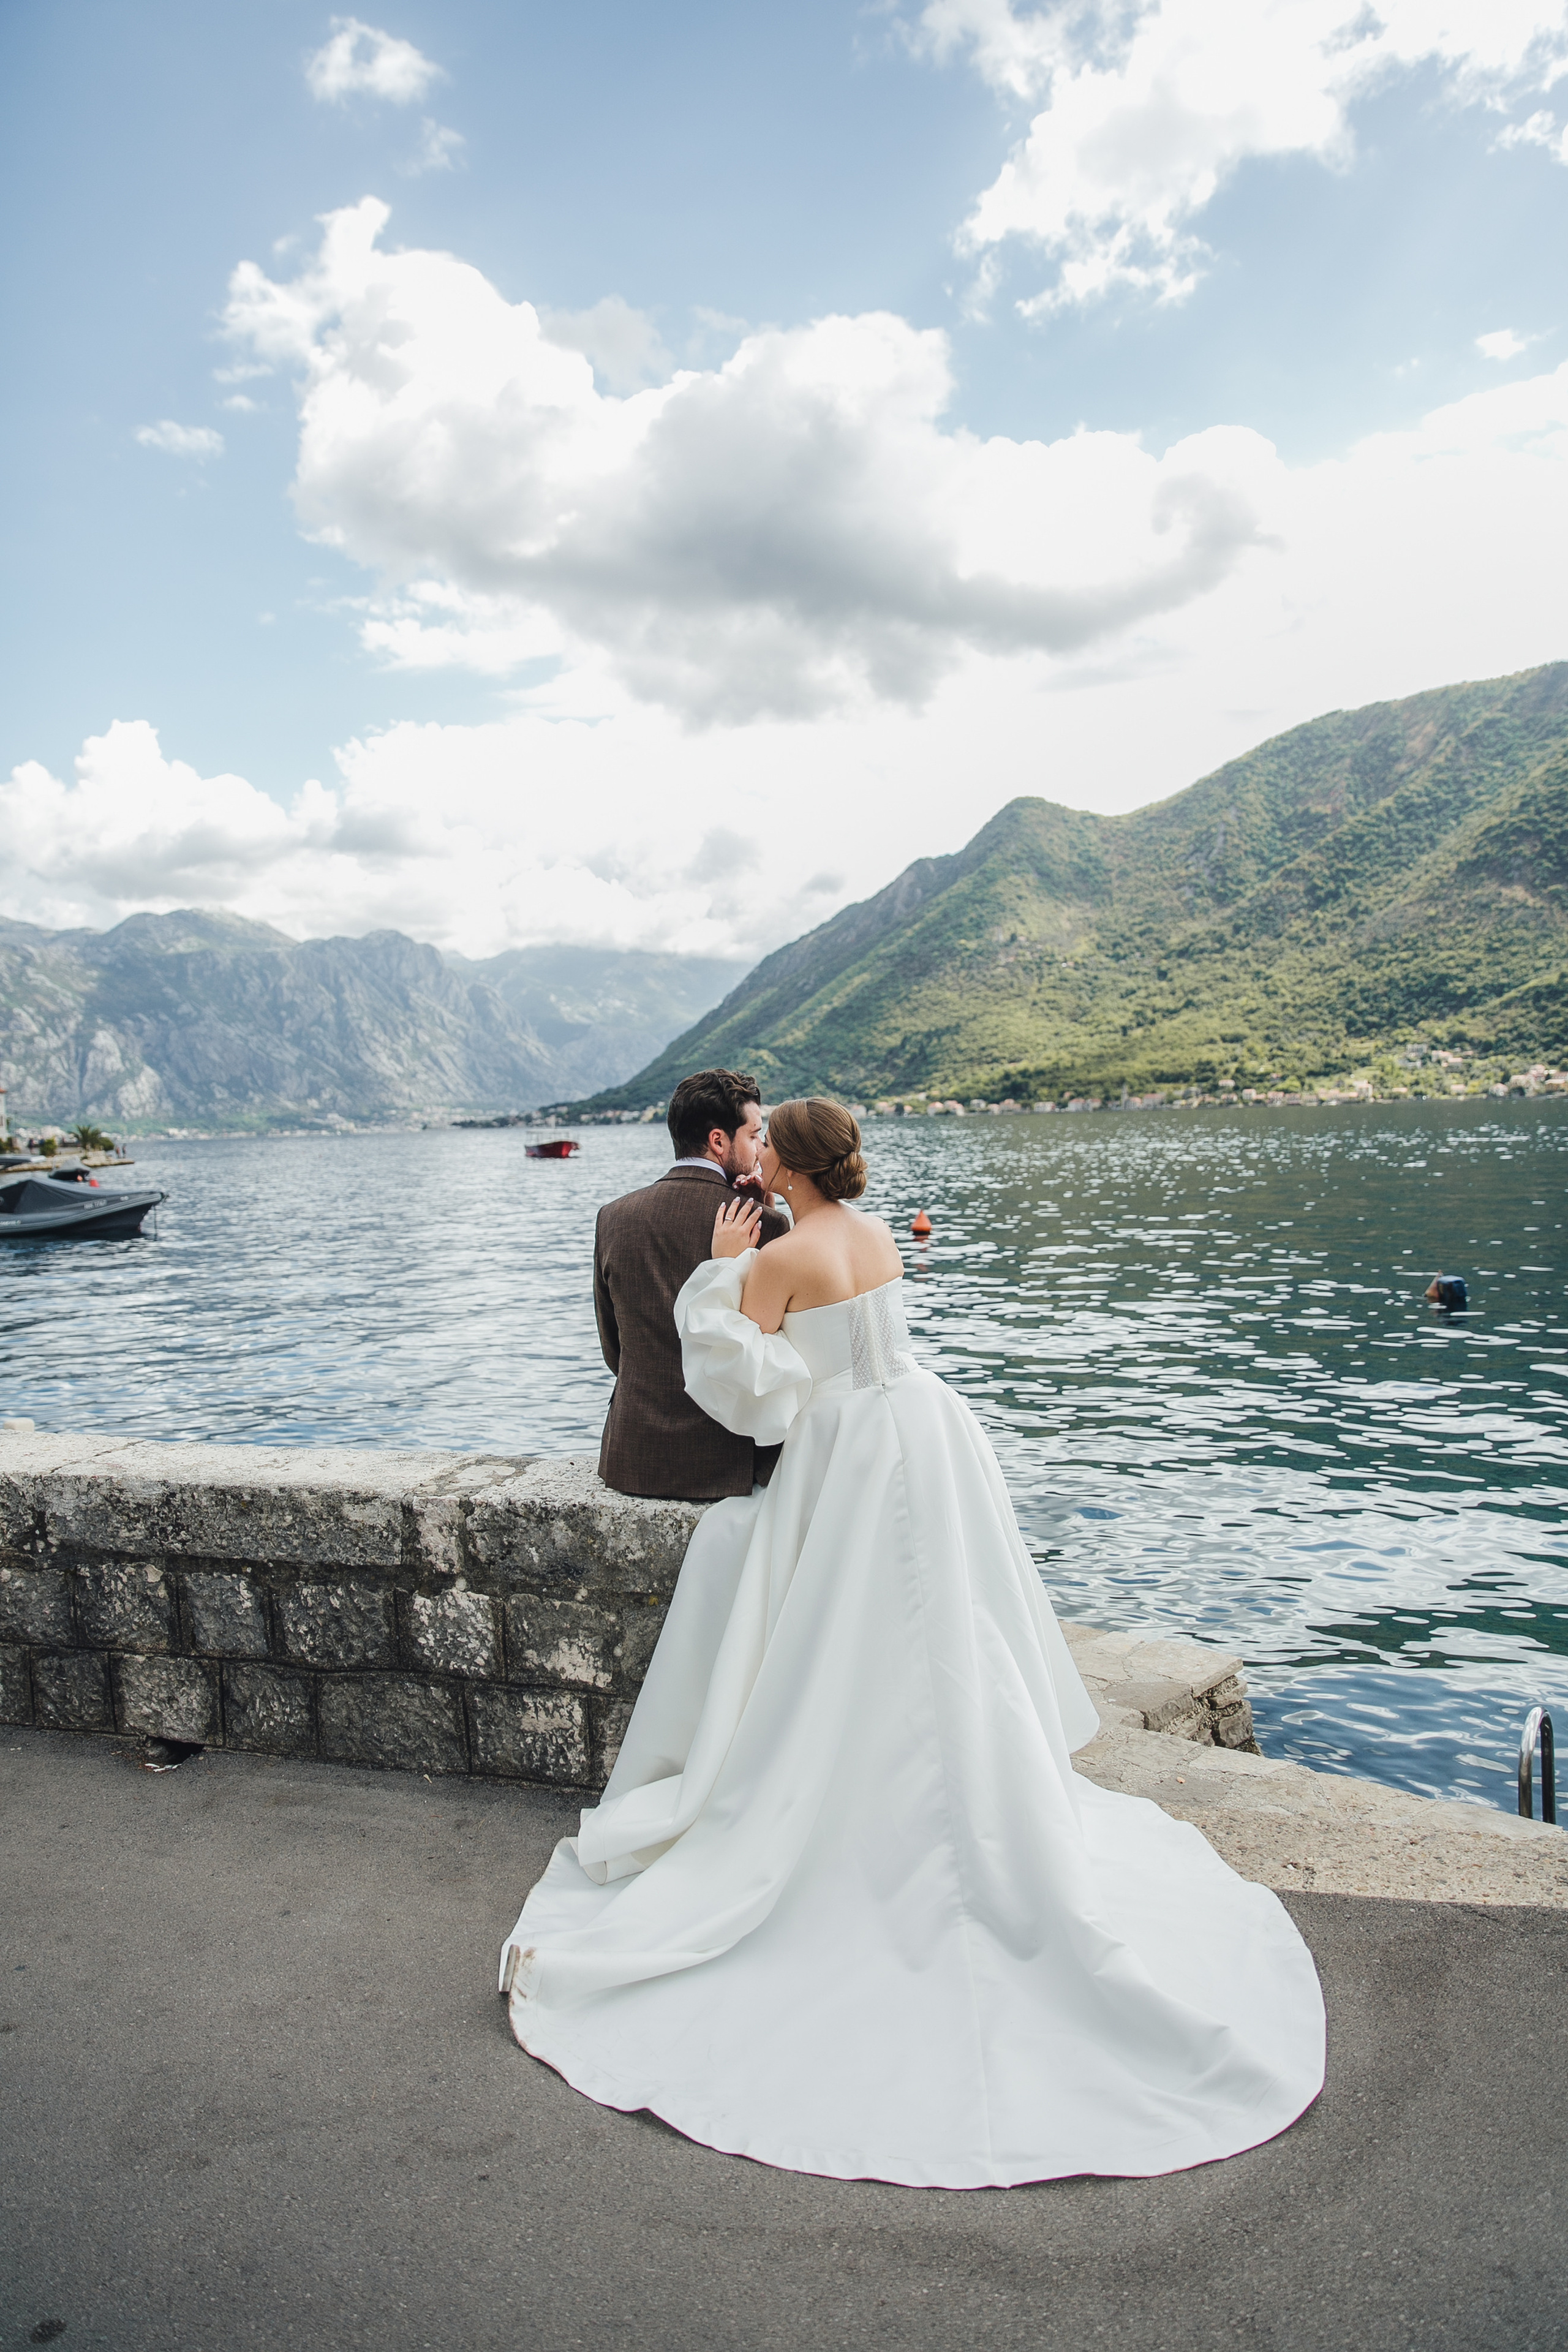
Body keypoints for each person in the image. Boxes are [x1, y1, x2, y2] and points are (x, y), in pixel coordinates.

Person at [504, 1099, 1324, 2188]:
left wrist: (716, 1270)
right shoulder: (879, 1233)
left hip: (845, 1458)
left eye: (769, 1153)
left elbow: (746, 1394)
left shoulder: (781, 1258)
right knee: (943, 1629)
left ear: (784, 1169)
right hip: (926, 1435)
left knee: (837, 1645)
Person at [593, 1068, 790, 1500]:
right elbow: (777, 1360)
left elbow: (616, 1352)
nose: (760, 1150)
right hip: (729, 1461)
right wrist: (769, 1213)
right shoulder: (766, 1224)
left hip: (633, 1457)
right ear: (719, 1141)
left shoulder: (613, 1217)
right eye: (755, 1135)